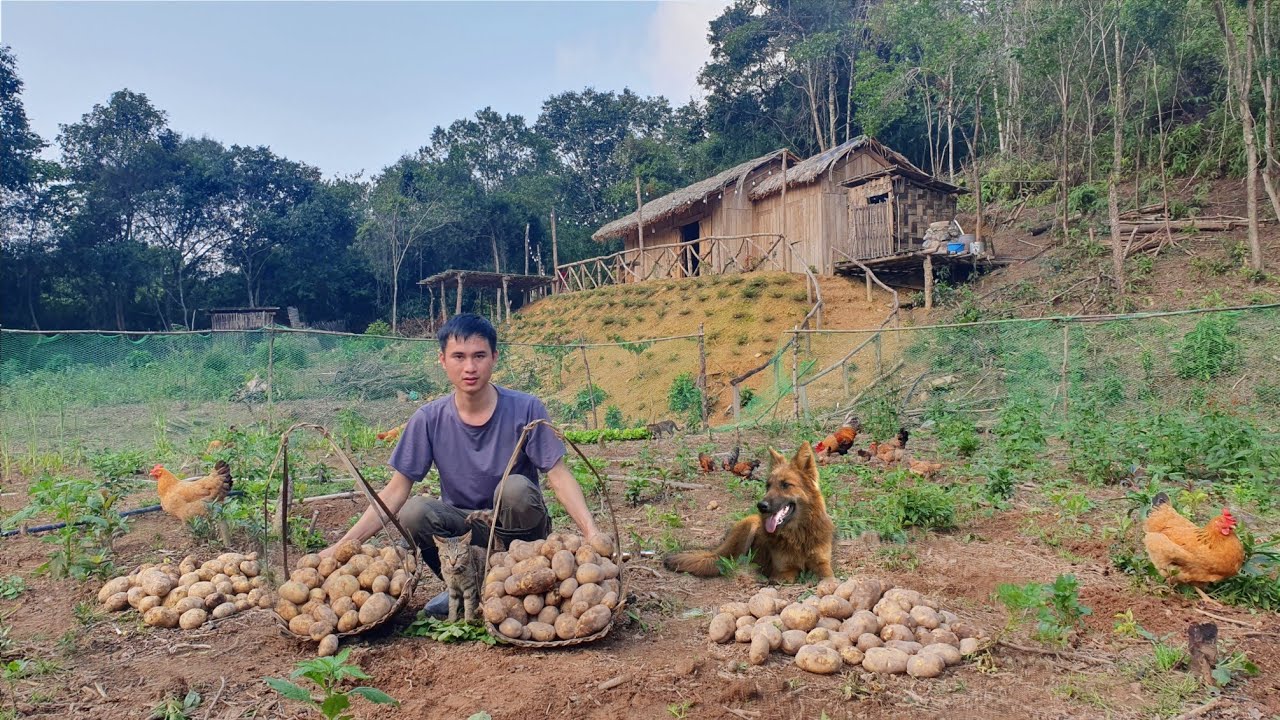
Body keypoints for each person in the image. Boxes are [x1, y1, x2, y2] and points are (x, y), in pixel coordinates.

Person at [321, 313, 602, 616]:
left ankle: (518, 583)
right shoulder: (429, 419)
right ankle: (461, 587)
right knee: (415, 511)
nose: (470, 367)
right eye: (459, 356)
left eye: (479, 356)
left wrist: (592, 532)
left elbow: (558, 475)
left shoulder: (526, 408)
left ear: (494, 357)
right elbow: (394, 492)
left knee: (516, 488)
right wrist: (343, 546)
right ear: (442, 360)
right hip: (464, 535)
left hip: (518, 532)